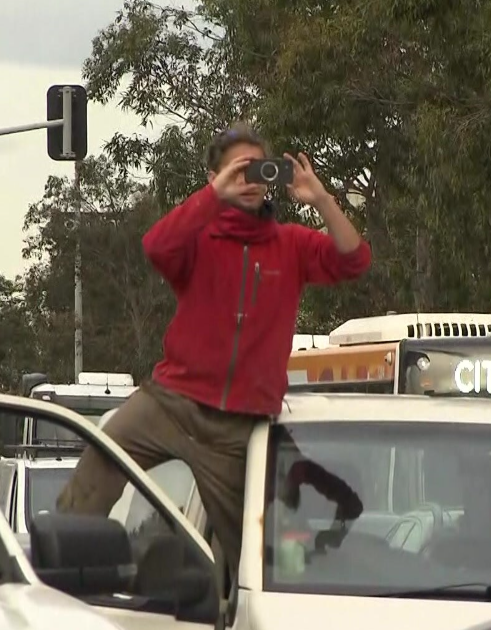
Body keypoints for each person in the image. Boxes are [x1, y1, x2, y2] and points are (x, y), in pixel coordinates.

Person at [57, 122, 371, 579]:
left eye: (259, 171)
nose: (250, 182)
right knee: (101, 459)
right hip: (172, 401)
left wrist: (321, 200)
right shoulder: (198, 238)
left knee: (259, 560)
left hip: (239, 426)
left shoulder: (291, 245)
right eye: (237, 172)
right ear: (214, 177)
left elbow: (353, 260)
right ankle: (53, 575)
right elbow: (155, 246)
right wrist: (213, 197)